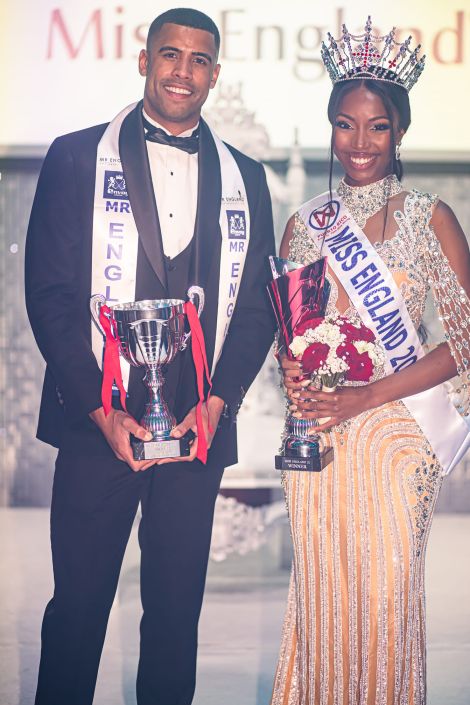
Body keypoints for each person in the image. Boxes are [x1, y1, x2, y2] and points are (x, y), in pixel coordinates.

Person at [25, 7, 275, 705]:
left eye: (198, 60)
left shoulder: (245, 177)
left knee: (174, 618)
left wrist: (218, 400)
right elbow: (46, 294)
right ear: (144, 60)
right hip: (94, 427)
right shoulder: (77, 157)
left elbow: (257, 307)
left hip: (195, 429)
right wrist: (100, 408)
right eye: (170, 55)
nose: (182, 71)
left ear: (215, 76)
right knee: (76, 612)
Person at [271, 18, 470, 705]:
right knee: (322, 593)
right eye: (345, 125)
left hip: (398, 434)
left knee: (386, 592)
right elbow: (292, 335)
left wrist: (369, 394)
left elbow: (466, 338)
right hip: (321, 436)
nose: (360, 143)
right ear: (330, 128)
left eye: (377, 127)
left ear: (400, 132)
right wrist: (294, 373)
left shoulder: (429, 216)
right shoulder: (305, 224)